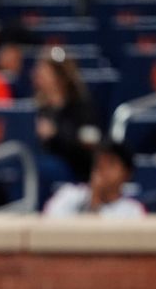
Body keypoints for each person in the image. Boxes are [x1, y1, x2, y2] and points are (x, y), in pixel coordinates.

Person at [32, 46, 99, 182]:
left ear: (60, 76)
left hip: (73, 171)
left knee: (45, 169)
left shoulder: (81, 107)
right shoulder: (39, 107)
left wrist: (55, 134)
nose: (38, 75)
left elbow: (87, 147)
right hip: (41, 163)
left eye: (45, 71)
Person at [43, 141, 146, 218]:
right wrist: (92, 200)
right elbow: (49, 222)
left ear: (127, 174)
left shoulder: (132, 210)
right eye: (99, 163)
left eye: (111, 164)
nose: (103, 169)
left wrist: (96, 204)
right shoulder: (69, 194)